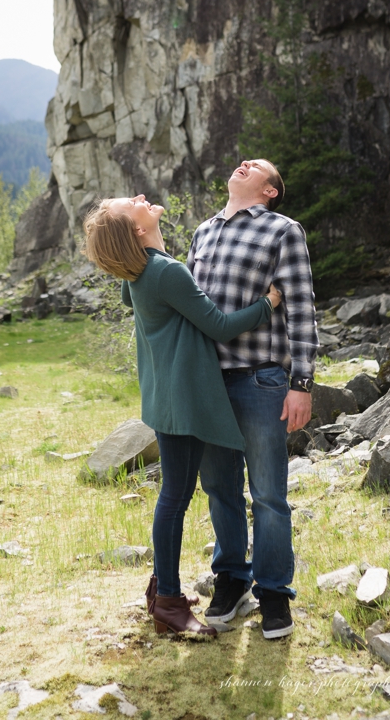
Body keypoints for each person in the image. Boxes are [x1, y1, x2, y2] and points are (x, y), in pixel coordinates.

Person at [84, 194, 279, 637]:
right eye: (130, 203)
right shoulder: (165, 271)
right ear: (137, 229)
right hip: (185, 397)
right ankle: (169, 603)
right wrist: (269, 302)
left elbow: (136, 299)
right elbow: (220, 326)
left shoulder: (141, 270)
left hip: (164, 395)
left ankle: (162, 590)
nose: (139, 197)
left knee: (175, 494)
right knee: (174, 496)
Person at [187, 159, 316, 639]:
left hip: (262, 380)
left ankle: (275, 594)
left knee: (267, 494)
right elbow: (188, 308)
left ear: (270, 191)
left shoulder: (283, 230)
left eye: (257, 167)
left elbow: (301, 307)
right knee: (219, 488)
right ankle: (231, 581)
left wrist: (301, 384)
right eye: (244, 161)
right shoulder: (202, 232)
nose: (244, 163)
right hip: (207, 384)